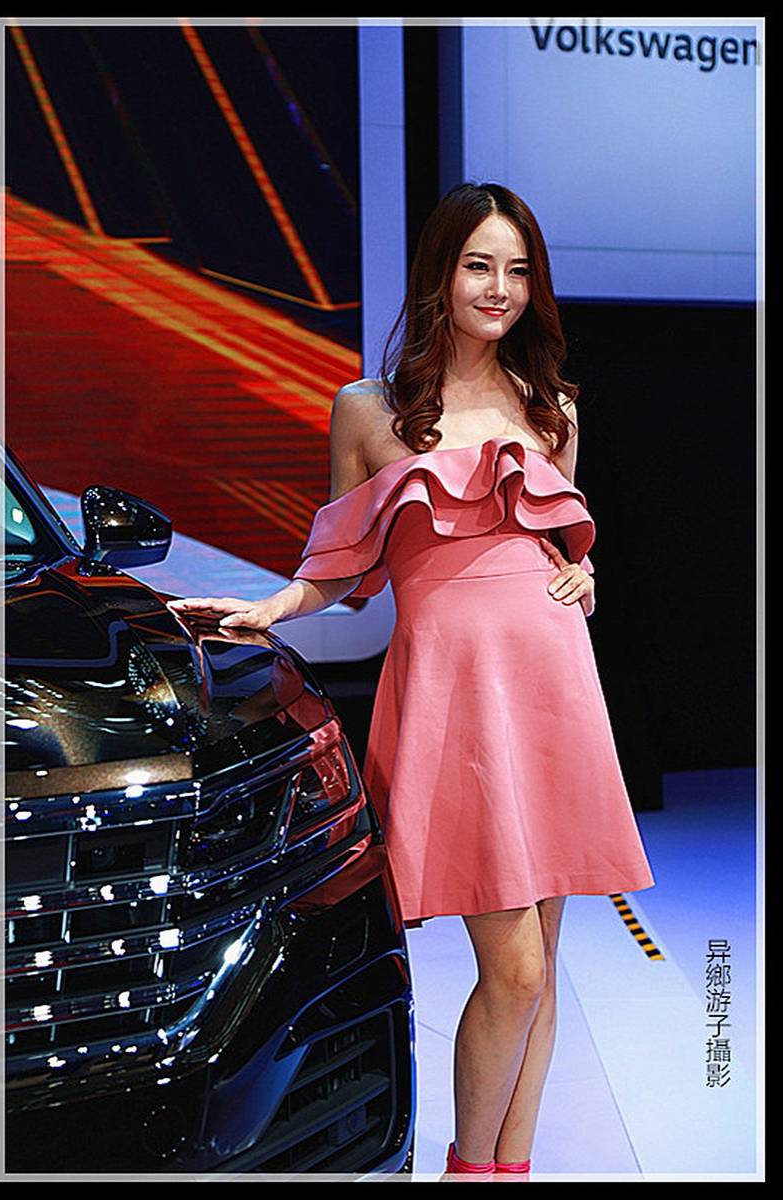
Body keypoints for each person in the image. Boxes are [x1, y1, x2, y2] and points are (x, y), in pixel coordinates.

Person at [167, 182, 656, 1181]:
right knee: (514, 969)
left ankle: (508, 1169)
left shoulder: (553, 408)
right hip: (457, 700)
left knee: (541, 969)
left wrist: (586, 575)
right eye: (479, 265)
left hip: (553, 687)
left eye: (518, 270)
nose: (499, 288)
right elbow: (339, 567)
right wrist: (271, 607)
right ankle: (468, 1170)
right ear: (440, 273)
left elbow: (564, 536)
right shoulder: (369, 410)